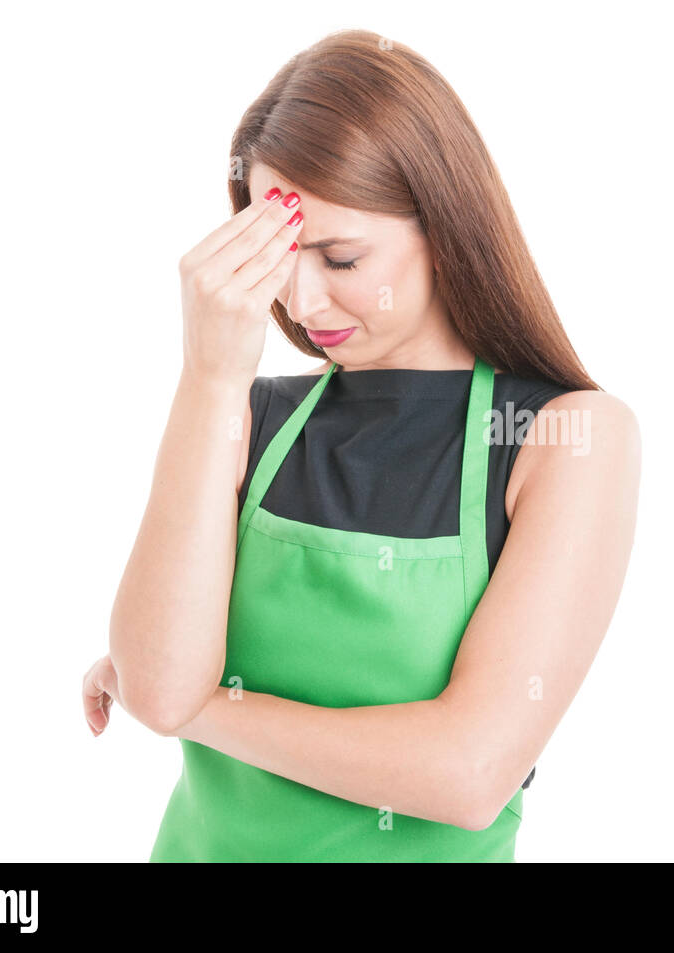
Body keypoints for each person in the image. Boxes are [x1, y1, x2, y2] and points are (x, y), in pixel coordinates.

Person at [81, 28, 640, 862]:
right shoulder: (244, 413)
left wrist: (197, 710)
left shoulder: (566, 436)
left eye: (340, 256)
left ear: (446, 224)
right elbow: (159, 680)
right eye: (276, 256)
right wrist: (208, 375)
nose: (302, 301)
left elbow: (467, 773)